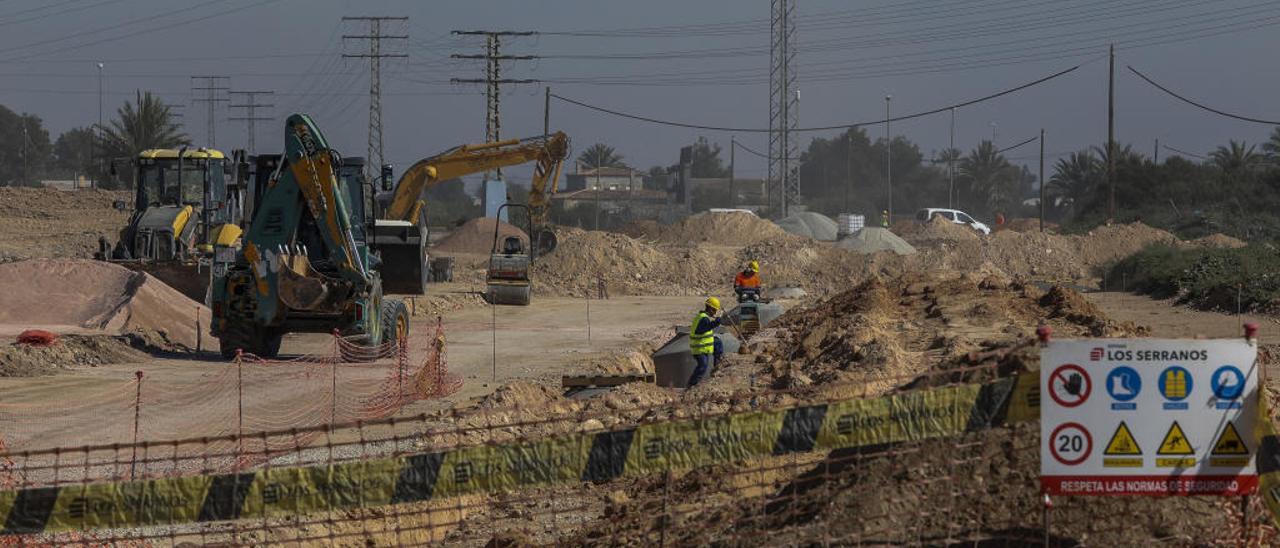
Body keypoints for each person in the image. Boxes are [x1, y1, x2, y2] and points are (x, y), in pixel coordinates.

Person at [687, 296, 722, 387]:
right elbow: (705, 328)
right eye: (714, 310)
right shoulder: (703, 319)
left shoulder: (703, 317)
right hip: (699, 348)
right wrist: (716, 323)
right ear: (710, 308)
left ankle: (717, 367)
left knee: (717, 342)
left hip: (703, 346)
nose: (715, 313)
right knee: (702, 366)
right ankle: (692, 384)